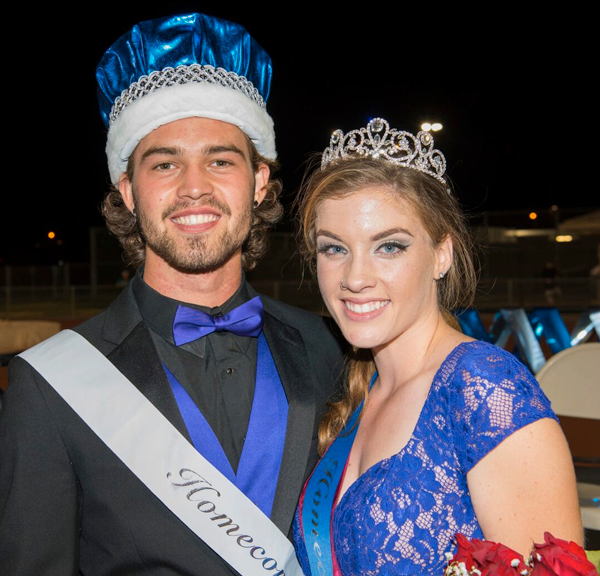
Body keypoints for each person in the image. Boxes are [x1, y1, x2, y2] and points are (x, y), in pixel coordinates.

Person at [0, 13, 344, 576]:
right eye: (164, 163)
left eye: (220, 160)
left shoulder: (328, 349)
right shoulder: (47, 388)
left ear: (258, 182)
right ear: (128, 189)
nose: (194, 187)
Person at [292, 118, 584, 575]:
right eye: (334, 249)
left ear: (441, 254)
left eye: (389, 246)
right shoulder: (356, 390)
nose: (354, 278)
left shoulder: (483, 385)